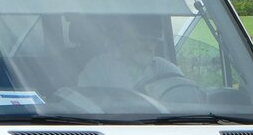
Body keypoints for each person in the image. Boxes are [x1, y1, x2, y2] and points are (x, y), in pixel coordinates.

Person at [68, 14, 202, 103]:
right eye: (142, 40)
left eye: (153, 41)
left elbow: (185, 93)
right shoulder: (99, 67)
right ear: (124, 39)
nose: (149, 47)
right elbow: (86, 105)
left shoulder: (163, 68)